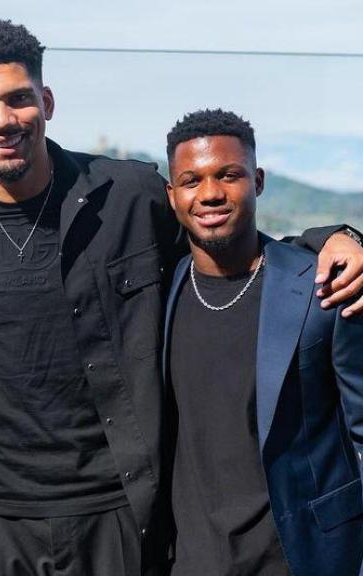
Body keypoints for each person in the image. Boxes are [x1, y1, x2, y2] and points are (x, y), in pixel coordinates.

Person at [0, 19, 363, 575]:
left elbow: (223, 238)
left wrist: (332, 238)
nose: (2, 119)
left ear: (47, 101)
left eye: (18, 99)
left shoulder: (129, 196)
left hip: (120, 510)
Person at [163, 109, 363, 576]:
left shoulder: (321, 289)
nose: (210, 193)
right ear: (172, 196)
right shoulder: (160, 287)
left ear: (258, 181)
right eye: (191, 180)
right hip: (192, 559)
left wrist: (346, 236)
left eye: (228, 175)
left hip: (300, 557)